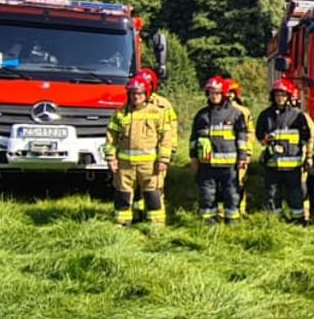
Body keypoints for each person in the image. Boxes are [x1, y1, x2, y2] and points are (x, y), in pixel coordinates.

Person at [105, 72, 175, 227]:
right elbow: (111, 137)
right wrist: (111, 158)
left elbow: (166, 138)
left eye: (139, 93)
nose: (136, 97)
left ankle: (155, 224)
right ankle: (122, 222)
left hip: (149, 165)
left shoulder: (158, 113)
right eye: (133, 94)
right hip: (125, 164)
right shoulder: (120, 114)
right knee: (123, 193)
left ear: (146, 94)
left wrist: (164, 160)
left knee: (152, 193)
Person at [190, 76, 250, 224]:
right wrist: (193, 158)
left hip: (229, 164)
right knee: (207, 194)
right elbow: (193, 139)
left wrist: (242, 157)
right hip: (207, 164)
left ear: (223, 94)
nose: (214, 96)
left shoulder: (236, 114)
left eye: (217, 93)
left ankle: (232, 221)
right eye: (211, 93)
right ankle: (208, 222)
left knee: (231, 194)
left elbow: (242, 138)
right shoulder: (201, 115)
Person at [256, 79, 313, 223]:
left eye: (283, 95)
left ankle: (298, 220)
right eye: (277, 95)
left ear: (288, 96)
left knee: (295, 193)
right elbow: (259, 135)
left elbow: (306, 136)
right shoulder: (265, 115)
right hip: (272, 164)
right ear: (273, 97)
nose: (280, 98)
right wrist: (266, 139)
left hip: (292, 164)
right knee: (272, 194)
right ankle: (276, 221)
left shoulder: (297, 115)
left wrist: (306, 156)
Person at [137, 68, 177, 213]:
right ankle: (138, 214)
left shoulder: (163, 105)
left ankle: (156, 218)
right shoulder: (131, 102)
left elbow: (171, 130)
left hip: (156, 155)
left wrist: (169, 152)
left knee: (156, 186)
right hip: (136, 155)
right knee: (136, 187)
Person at [224, 78, 253, 212]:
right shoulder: (217, 110)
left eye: (231, 92)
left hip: (240, 152)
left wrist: (247, 152)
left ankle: (240, 208)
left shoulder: (243, 111)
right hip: (223, 153)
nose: (229, 95)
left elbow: (249, 133)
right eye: (227, 92)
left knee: (238, 181)